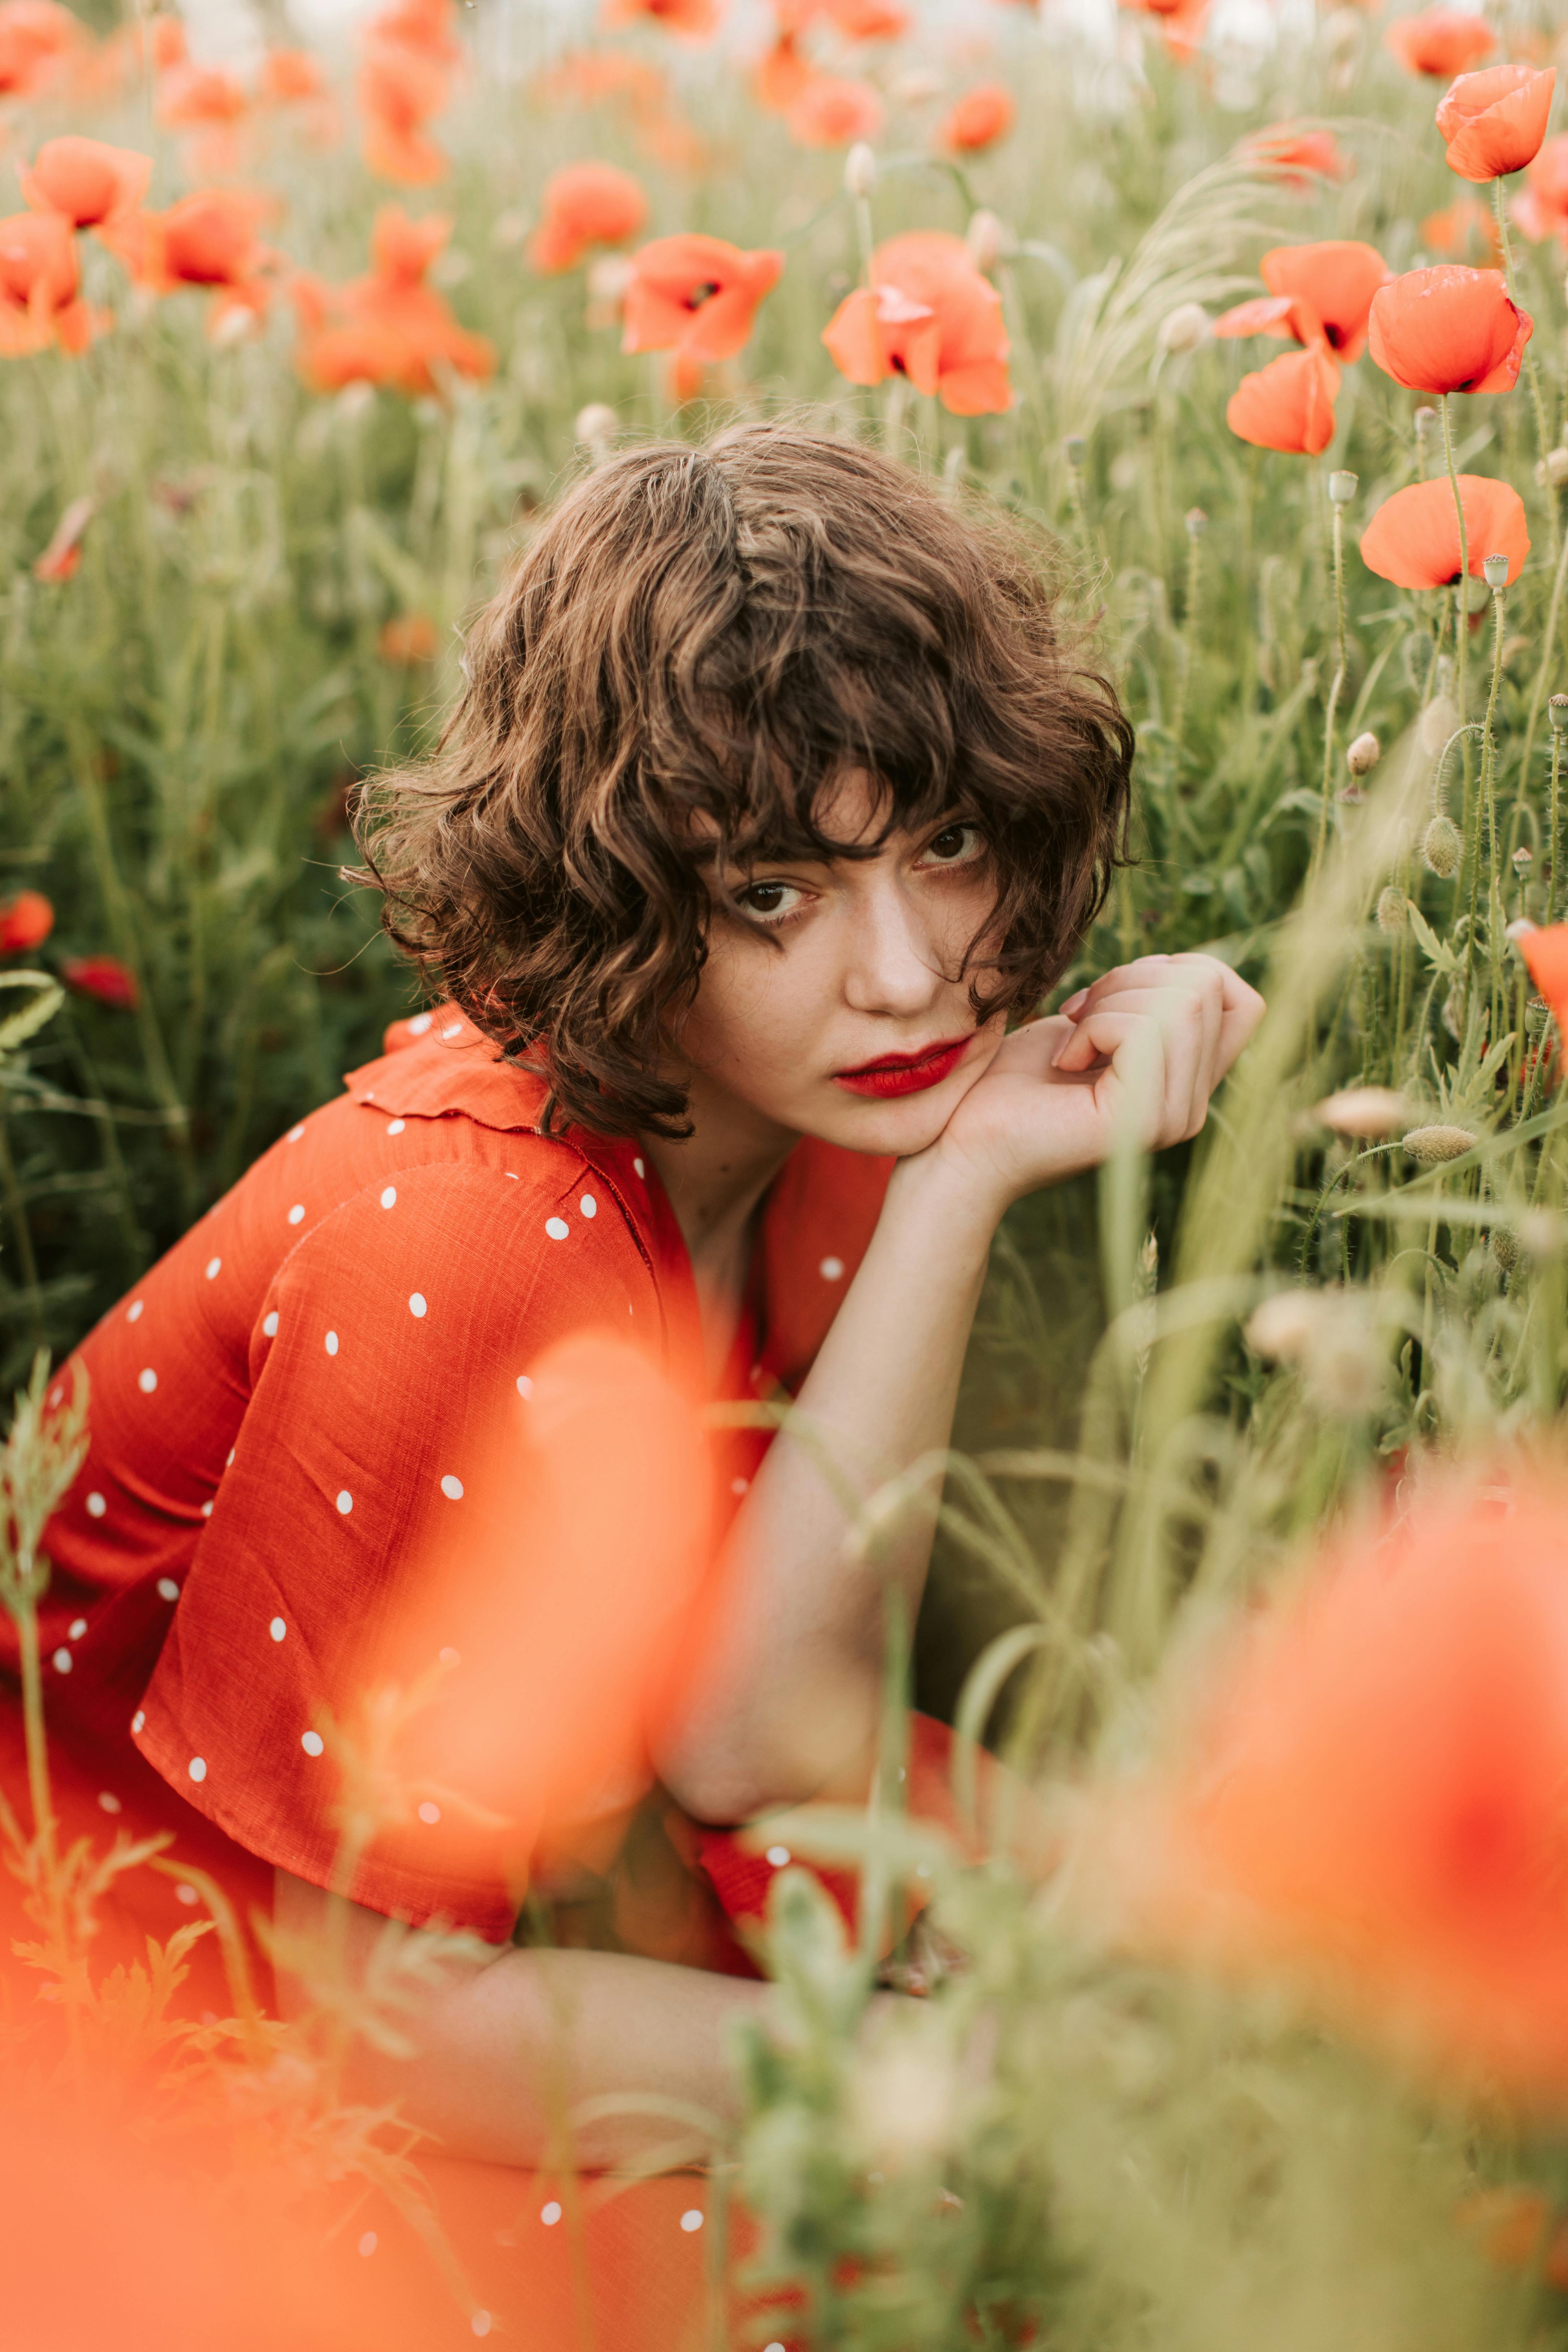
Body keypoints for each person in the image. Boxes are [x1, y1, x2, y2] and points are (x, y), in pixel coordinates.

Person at [0, 425, 1262, 2336]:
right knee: (917, 2255)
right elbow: (372, 2020)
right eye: (777, 891)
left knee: (1215, 1971)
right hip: (147, 2034)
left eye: (944, 842)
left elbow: (762, 1733)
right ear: (614, 896)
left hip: (544, 1895)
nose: (913, 971)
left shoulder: (837, 1103)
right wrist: (917, 2093)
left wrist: (969, 1174)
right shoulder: (469, 1232)